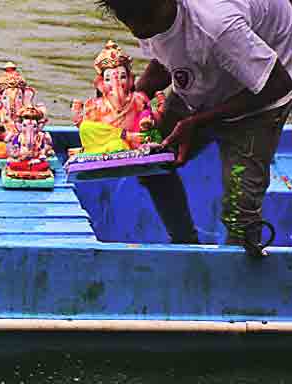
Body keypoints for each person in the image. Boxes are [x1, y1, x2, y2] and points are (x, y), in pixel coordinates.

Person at [97, 0, 292, 256]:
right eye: (127, 20)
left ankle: (239, 279)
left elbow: (278, 84)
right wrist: (136, 95)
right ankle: (186, 249)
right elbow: (168, 52)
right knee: (151, 161)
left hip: (262, 93)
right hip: (209, 76)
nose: (135, 30)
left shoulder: (217, 26)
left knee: (240, 210)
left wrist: (199, 122)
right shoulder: (145, 16)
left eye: (144, 20)